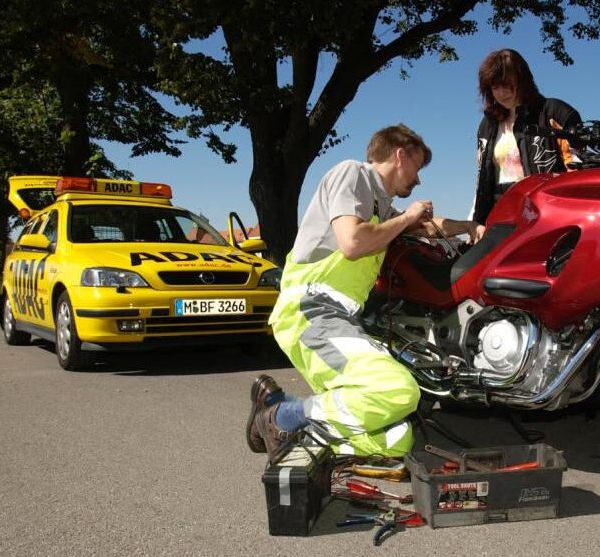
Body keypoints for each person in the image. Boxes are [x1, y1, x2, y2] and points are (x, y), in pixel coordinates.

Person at [247, 124, 485, 460]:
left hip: (337, 318)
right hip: (310, 309)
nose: (418, 180)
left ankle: (288, 419)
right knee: (397, 390)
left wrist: (470, 227)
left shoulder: (381, 206)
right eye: (417, 168)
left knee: (397, 440)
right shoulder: (352, 174)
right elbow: (353, 242)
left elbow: (428, 226)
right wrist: (408, 218)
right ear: (400, 155)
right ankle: (280, 418)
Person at [471, 48, 582, 225]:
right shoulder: (487, 125)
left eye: (507, 84)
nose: (501, 92)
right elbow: (482, 176)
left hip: (548, 212)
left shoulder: (554, 112)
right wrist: (475, 220)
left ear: (522, 80)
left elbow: (577, 167)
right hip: (499, 214)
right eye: (495, 86)